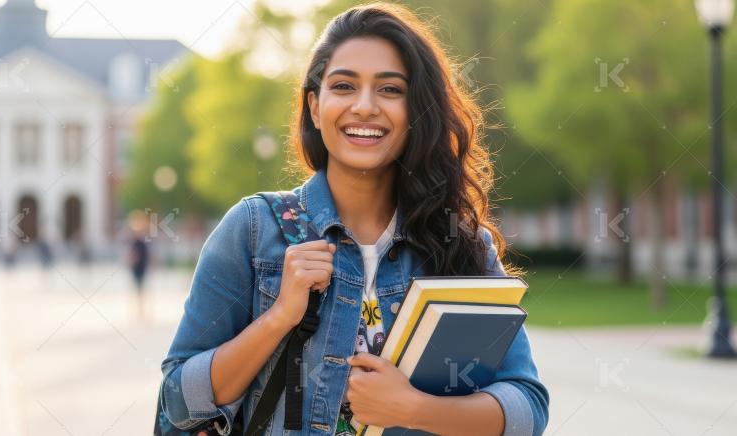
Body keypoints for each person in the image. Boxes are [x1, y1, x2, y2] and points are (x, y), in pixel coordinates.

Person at [160, 3, 549, 435]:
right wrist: (278, 319)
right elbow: (178, 401)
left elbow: (526, 410)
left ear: (417, 110)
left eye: (390, 90)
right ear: (314, 105)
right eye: (344, 86)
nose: (364, 107)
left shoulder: (460, 240)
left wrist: (412, 409)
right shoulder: (254, 230)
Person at [127, 211, 150, 320]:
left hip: (141, 268)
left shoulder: (141, 241)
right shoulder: (136, 242)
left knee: (140, 290)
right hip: (137, 268)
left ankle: (141, 311)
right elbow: (132, 255)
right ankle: (139, 311)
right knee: (139, 290)